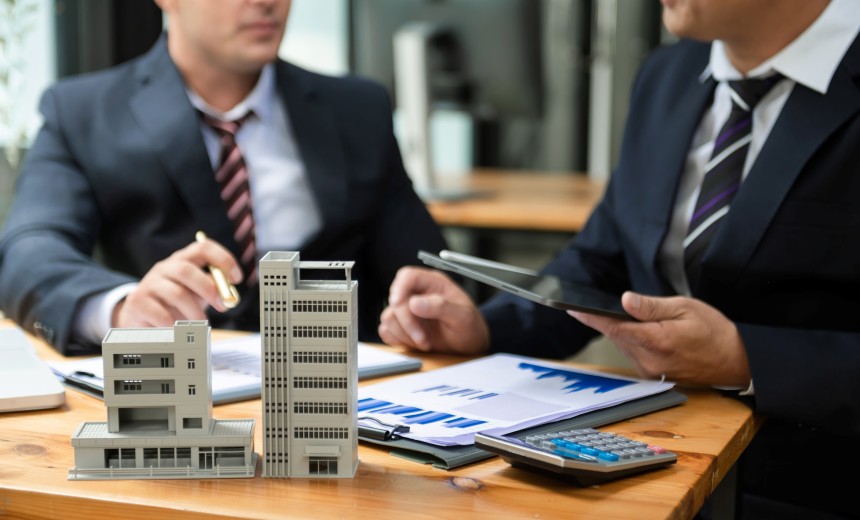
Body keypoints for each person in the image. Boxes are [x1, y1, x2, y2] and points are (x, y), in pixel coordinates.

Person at [379, 0, 860, 518]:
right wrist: (484, 328)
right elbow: (601, 261)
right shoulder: (669, 73)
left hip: (816, 480)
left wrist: (747, 360)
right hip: (657, 461)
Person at [0, 0, 446, 356]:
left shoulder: (358, 109)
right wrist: (121, 308)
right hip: (173, 409)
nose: (266, 2)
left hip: (343, 402)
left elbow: (428, 273)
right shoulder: (83, 112)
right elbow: (30, 253)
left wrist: (437, 313)